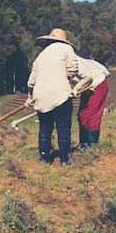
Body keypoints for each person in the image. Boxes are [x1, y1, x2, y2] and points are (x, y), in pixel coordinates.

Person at [25, 28, 78, 165]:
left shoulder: (40, 56)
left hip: (41, 96)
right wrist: (63, 79)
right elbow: (73, 69)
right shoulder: (66, 48)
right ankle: (64, 160)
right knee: (63, 128)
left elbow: (31, 81)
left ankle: (44, 158)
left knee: (45, 128)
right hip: (60, 95)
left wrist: (30, 97)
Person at [72, 57, 110, 148]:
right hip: (86, 87)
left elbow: (88, 77)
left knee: (92, 116)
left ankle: (92, 147)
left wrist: (76, 88)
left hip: (97, 84)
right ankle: (83, 145)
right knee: (82, 114)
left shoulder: (74, 61)